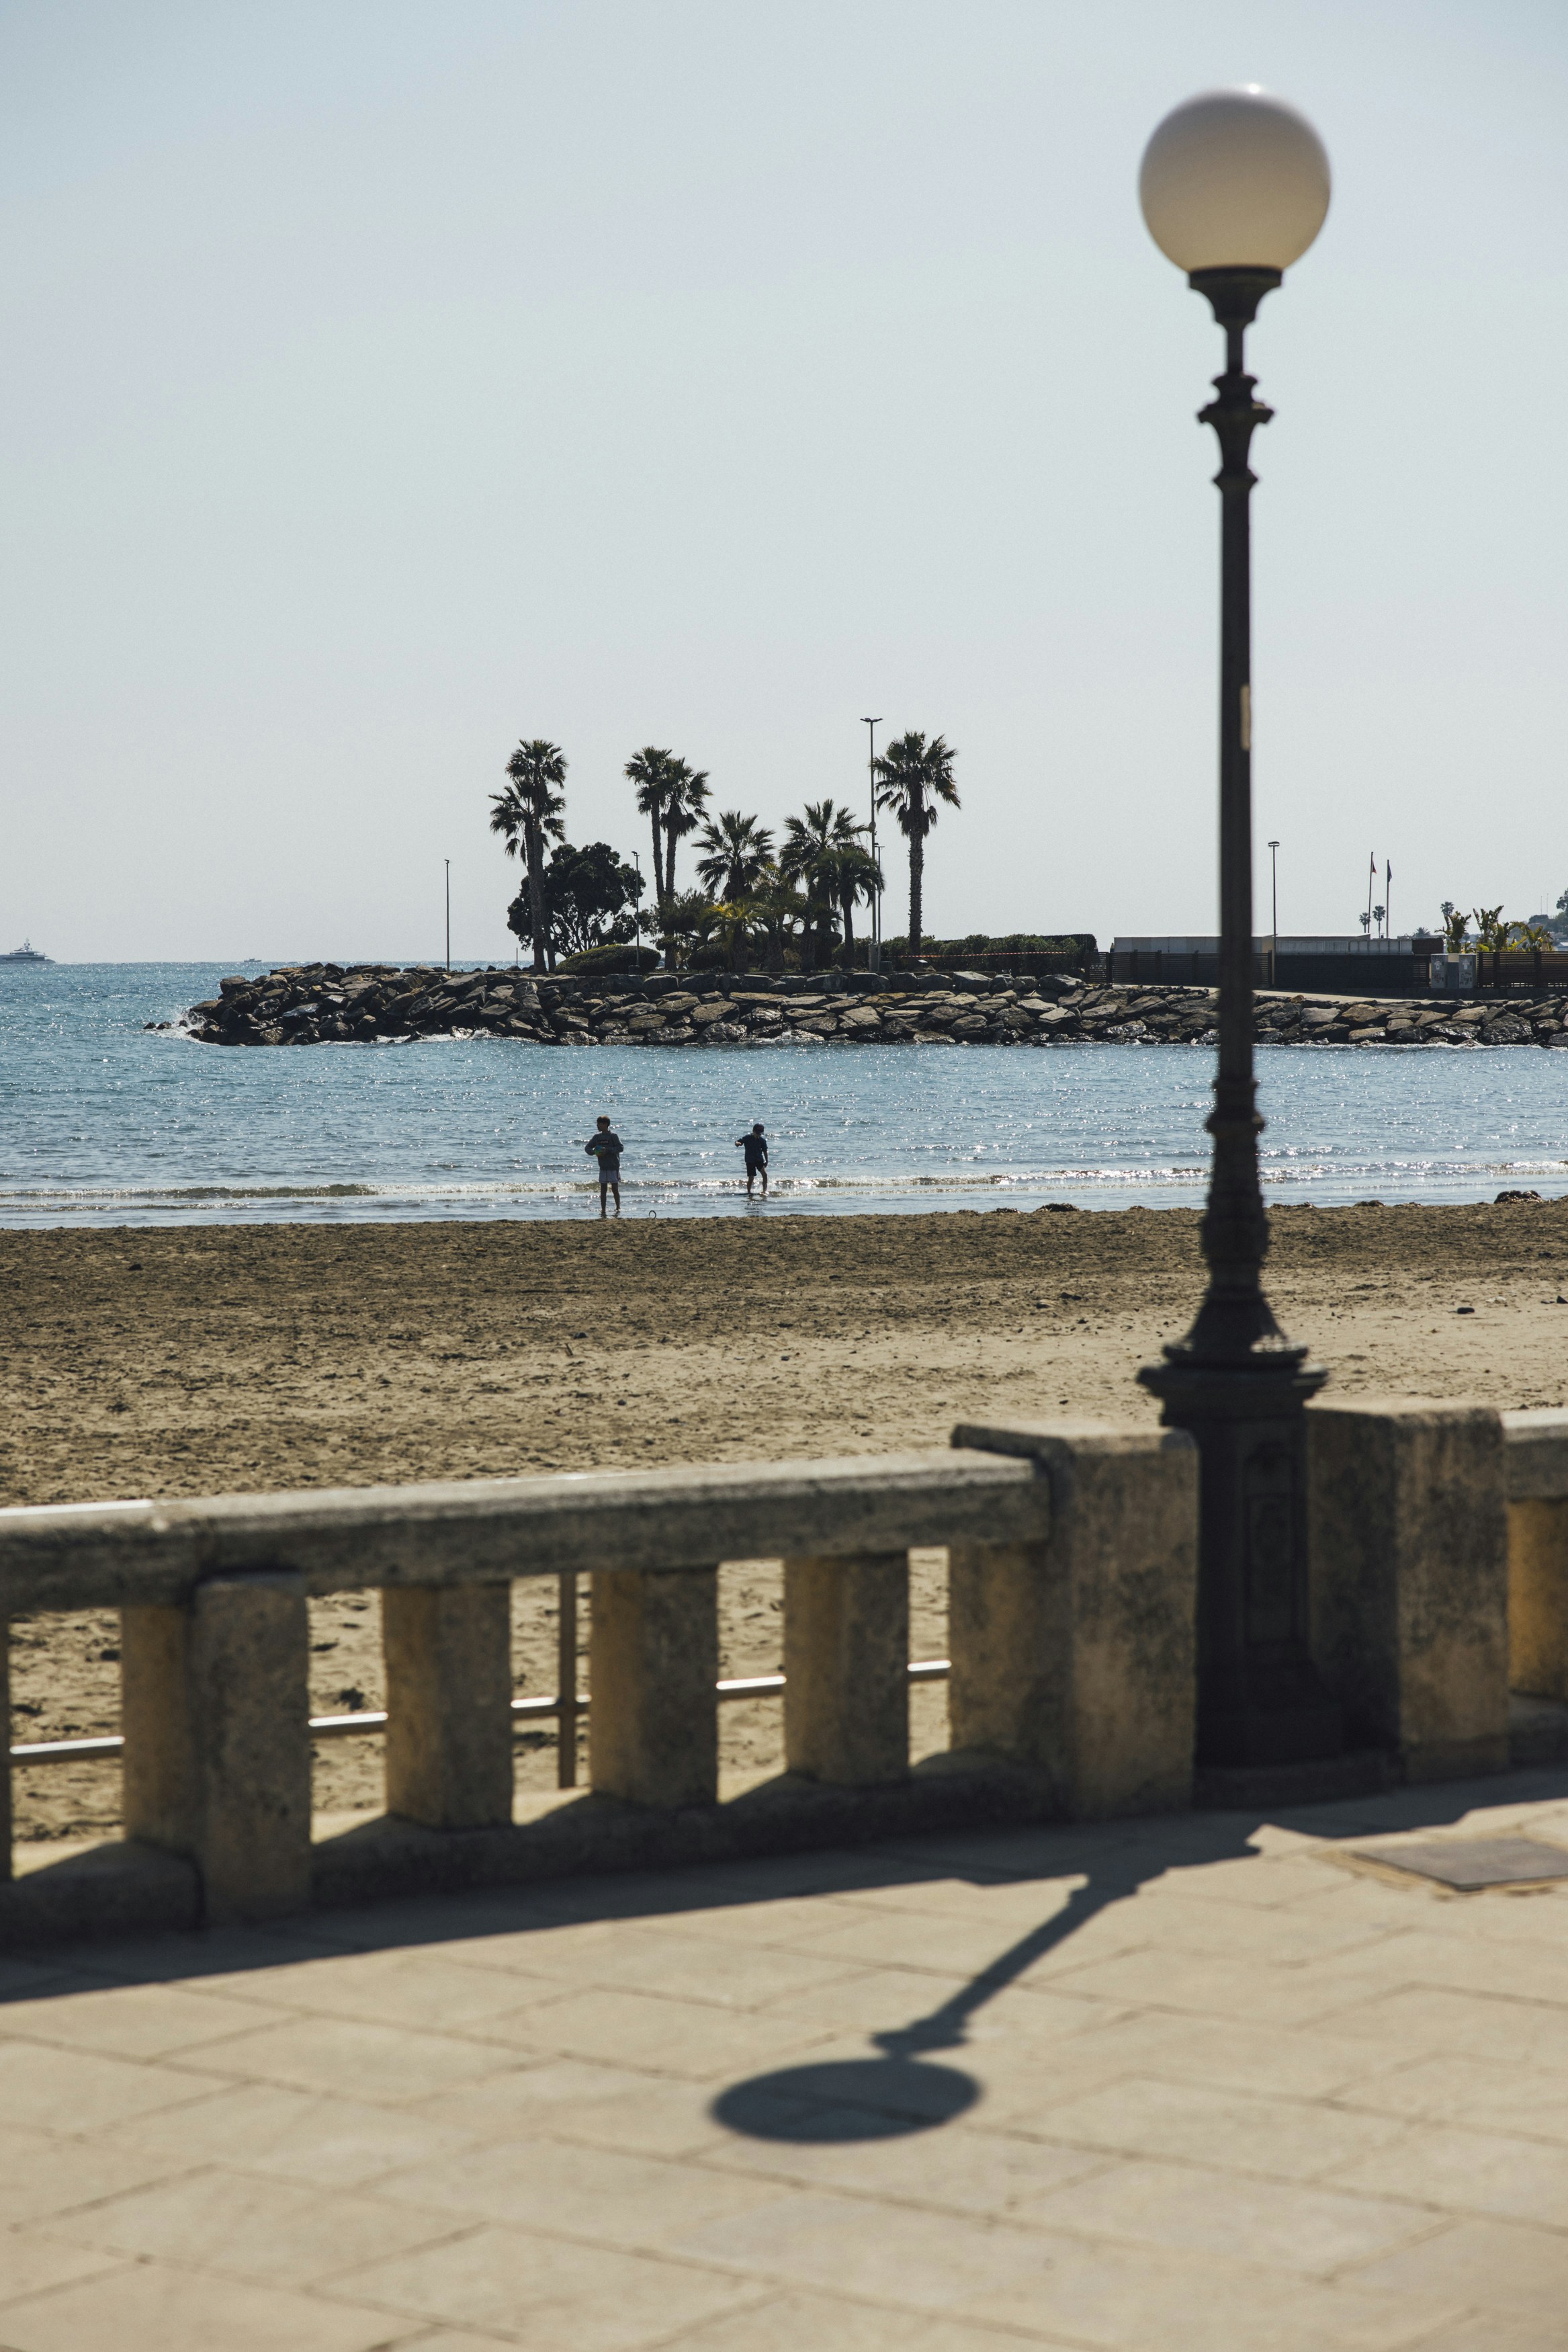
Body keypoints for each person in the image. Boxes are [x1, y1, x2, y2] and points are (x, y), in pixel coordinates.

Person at [584, 1115, 623, 1218]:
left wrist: (608, 1150)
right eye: (597, 1124)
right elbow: (587, 1148)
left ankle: (618, 1208)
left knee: (615, 1189)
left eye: (599, 1124)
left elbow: (620, 1148)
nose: (597, 1126)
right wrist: (594, 1152)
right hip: (603, 1167)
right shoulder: (597, 1137)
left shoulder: (613, 1136)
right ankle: (603, 1210)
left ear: (605, 1124)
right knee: (603, 1189)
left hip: (613, 1166)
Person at [734, 1121, 769, 1199]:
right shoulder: (748, 1138)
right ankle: (749, 1192)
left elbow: (765, 1151)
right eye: (757, 1133)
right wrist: (737, 1143)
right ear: (753, 1131)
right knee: (751, 1178)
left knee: (765, 1175)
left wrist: (767, 1160)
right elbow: (739, 1141)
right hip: (750, 1161)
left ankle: (764, 1191)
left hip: (759, 1160)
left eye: (760, 1134)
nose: (758, 1135)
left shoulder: (762, 1140)